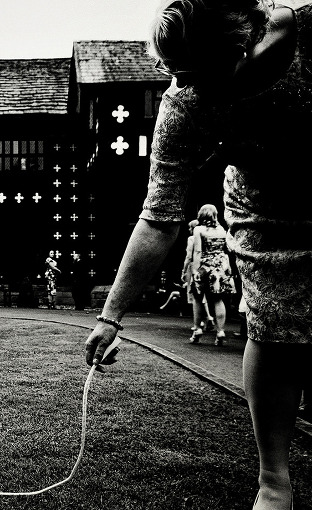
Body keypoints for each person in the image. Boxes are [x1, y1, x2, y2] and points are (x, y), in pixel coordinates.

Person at [85, 1, 311, 508]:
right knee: (273, 328)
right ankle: (274, 481)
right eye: (178, 75)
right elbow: (159, 216)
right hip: (264, 212)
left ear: (247, 39)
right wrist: (111, 316)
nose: (190, 88)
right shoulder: (186, 101)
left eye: (202, 73)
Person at [189, 204, 236, 345]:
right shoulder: (222, 230)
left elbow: (197, 251)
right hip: (220, 266)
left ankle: (197, 329)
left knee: (198, 297)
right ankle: (220, 331)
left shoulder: (198, 229)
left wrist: (196, 271)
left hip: (205, 265)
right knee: (218, 299)